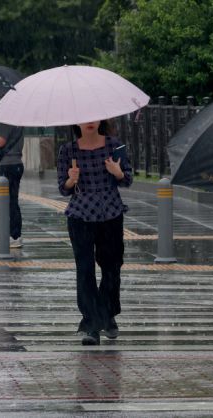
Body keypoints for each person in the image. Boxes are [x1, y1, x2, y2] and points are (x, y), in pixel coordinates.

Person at [57, 120, 132, 345]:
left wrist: (117, 172)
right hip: (80, 214)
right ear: (75, 122)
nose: (89, 122)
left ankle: (107, 315)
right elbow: (63, 188)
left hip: (111, 212)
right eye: (83, 118)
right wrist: (71, 179)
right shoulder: (67, 150)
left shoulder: (115, 145)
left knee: (112, 267)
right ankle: (92, 325)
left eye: (93, 117)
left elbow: (128, 179)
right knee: (85, 269)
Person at [0, 121, 24, 248]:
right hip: (17, 164)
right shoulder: (19, 123)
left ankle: (14, 235)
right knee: (13, 201)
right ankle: (16, 234)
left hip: (7, 165)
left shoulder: (7, 123)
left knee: (8, 202)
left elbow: (0, 142)